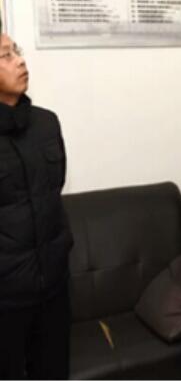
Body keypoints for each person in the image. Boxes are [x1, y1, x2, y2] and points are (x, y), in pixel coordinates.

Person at [0, 30, 72, 379]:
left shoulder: (46, 123)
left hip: (54, 286)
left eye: (17, 51)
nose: (20, 61)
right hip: (7, 298)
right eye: (6, 55)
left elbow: (54, 189)